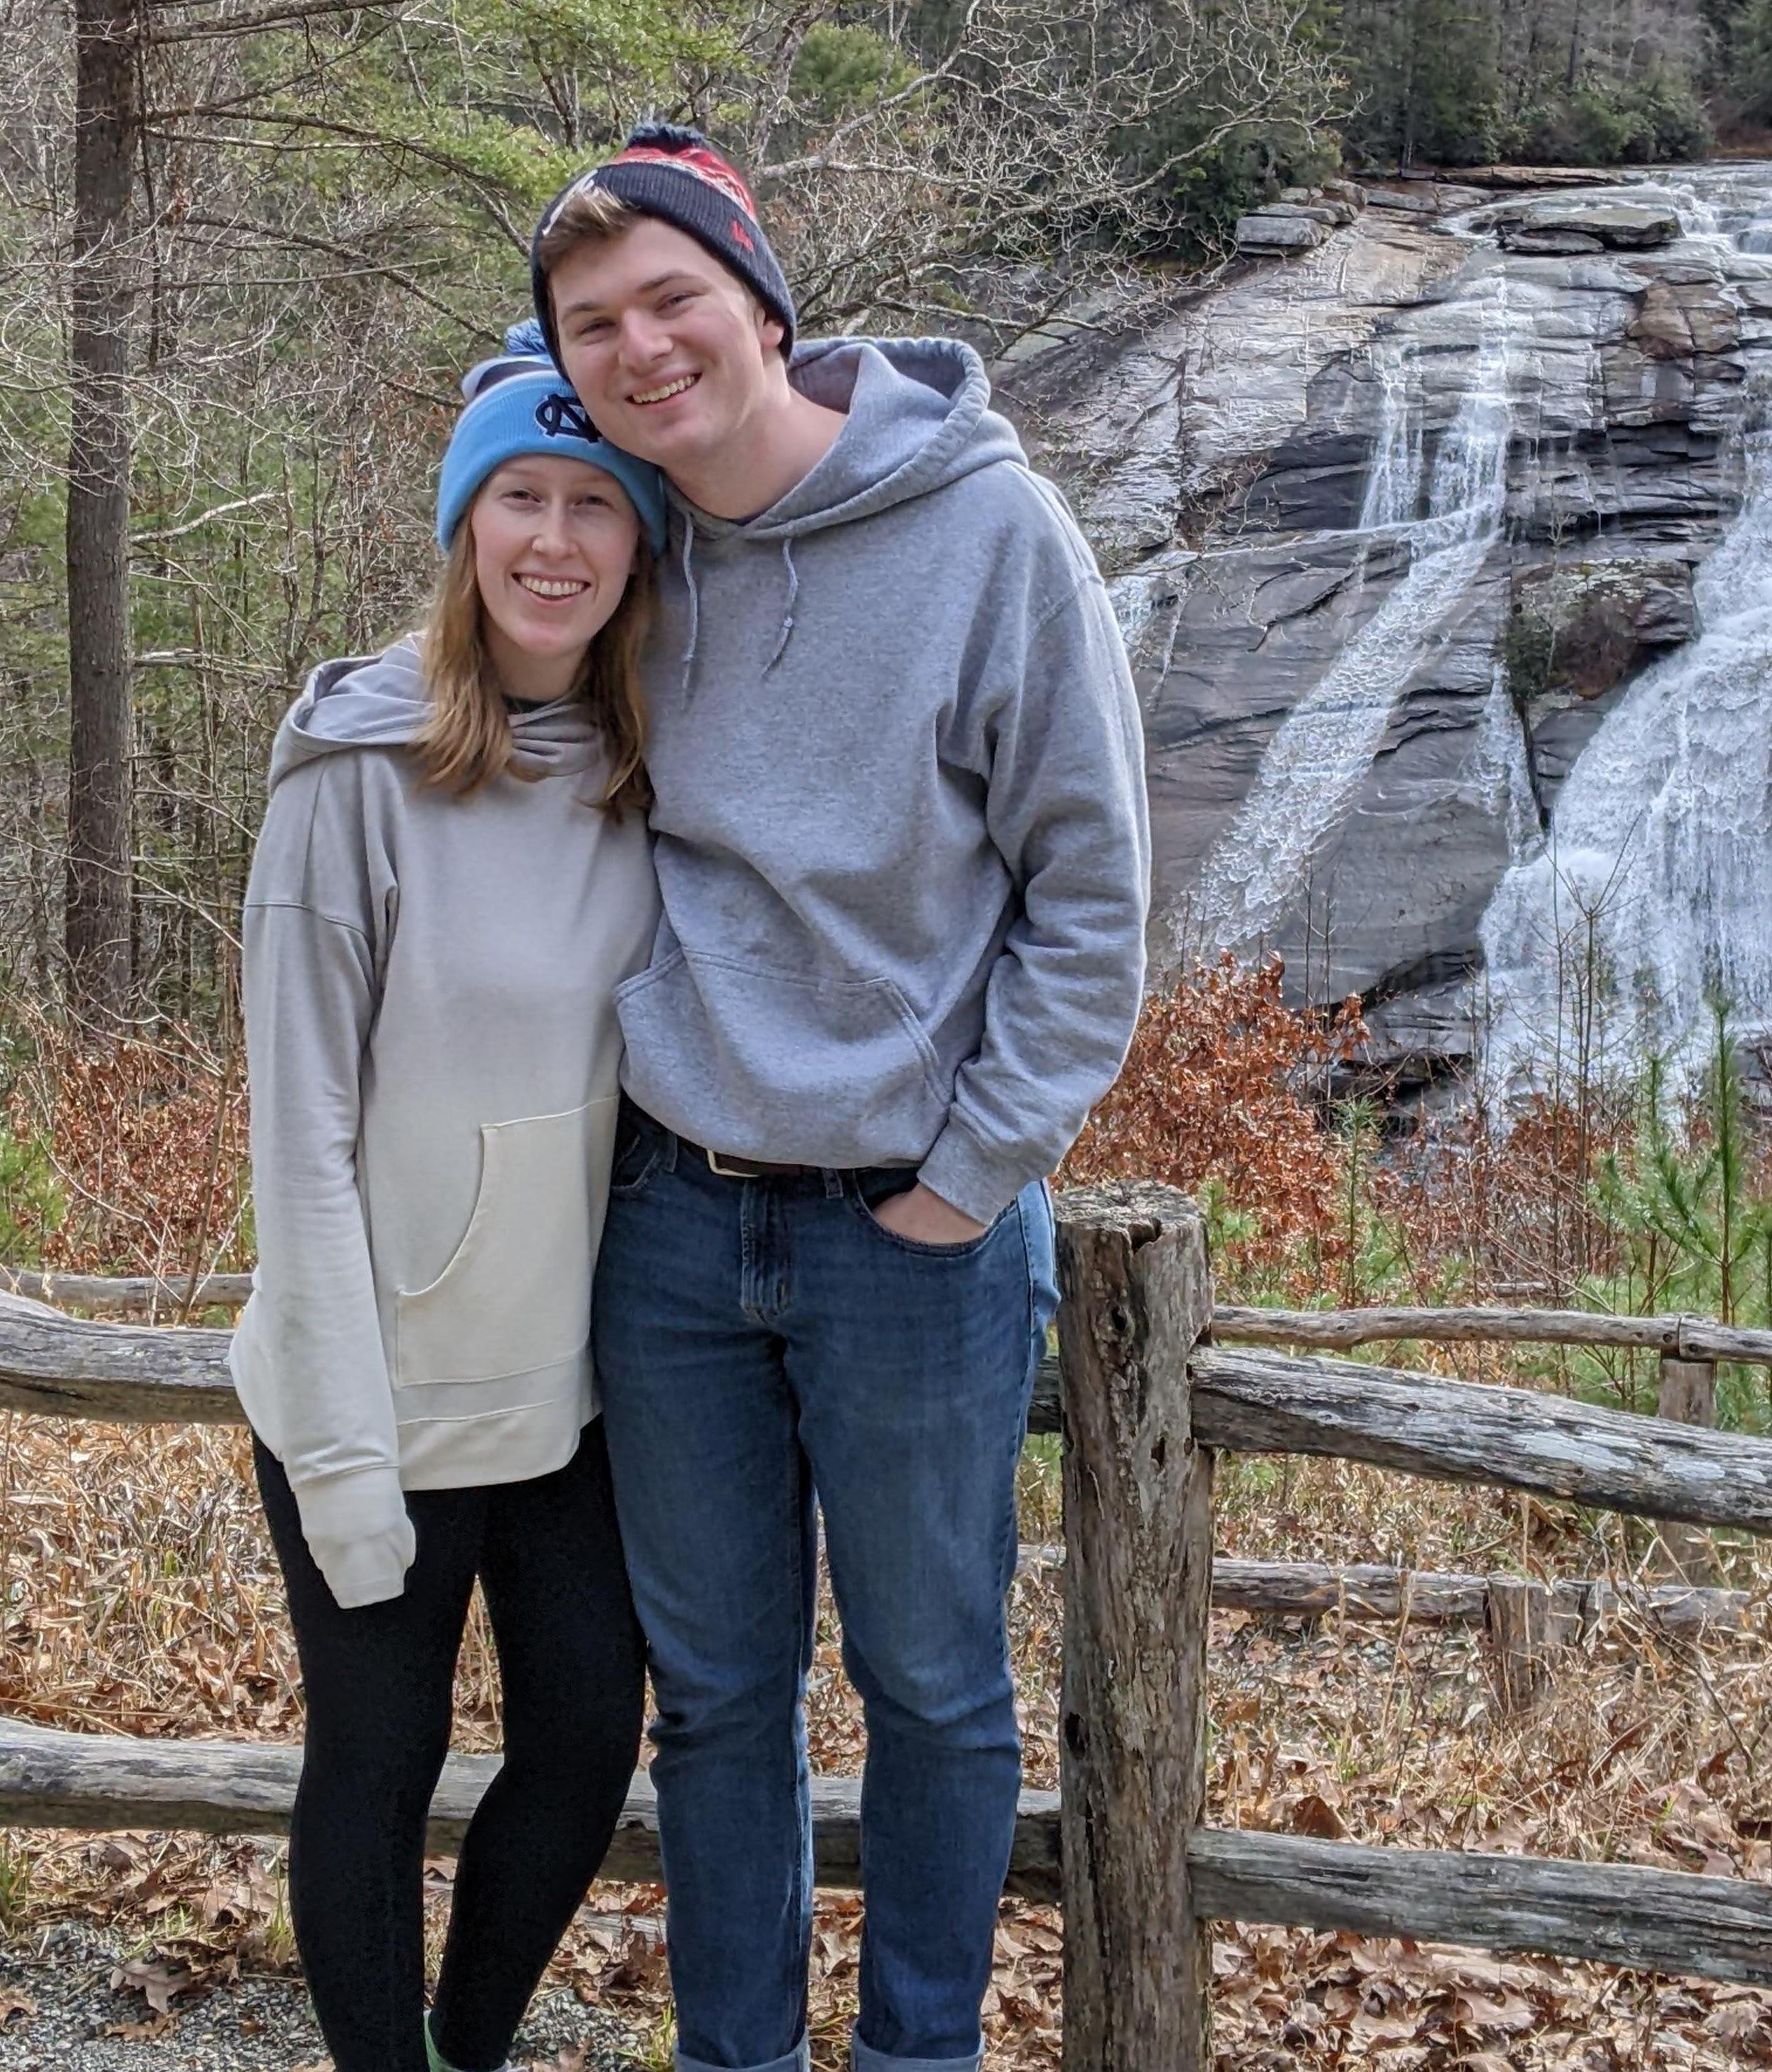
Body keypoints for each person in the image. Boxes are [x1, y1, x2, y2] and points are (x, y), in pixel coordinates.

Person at [529, 126, 1151, 2072]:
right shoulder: (625, 548)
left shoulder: (991, 536)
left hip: (912, 1225)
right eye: (592, 325)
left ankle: (915, 2054)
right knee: (715, 1698)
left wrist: (970, 1181)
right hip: (674, 1216)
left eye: (671, 300)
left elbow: (1093, 897)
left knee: (935, 1687)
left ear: (762, 303)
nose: (641, 348)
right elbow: (475, 692)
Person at [230, 329, 668, 2072]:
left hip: (564, 1401)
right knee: (376, 1765)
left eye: (593, 502)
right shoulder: (355, 778)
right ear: (463, 526)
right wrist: (341, 1455)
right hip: (380, 1393)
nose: (553, 537)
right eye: (518, 497)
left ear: (639, 544)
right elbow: (300, 1146)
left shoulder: (647, 777)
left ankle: (465, 2048)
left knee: (580, 1749)